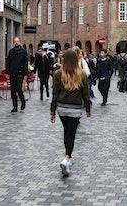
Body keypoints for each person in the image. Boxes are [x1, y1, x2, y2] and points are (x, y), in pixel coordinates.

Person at [50, 49, 92, 177]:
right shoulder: (82, 75)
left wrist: (52, 111)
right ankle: (67, 158)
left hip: (62, 108)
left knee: (66, 131)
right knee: (71, 134)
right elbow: (86, 94)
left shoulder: (58, 74)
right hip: (75, 108)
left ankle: (67, 158)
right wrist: (88, 109)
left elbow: (55, 94)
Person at [6, 37, 28, 112]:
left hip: (20, 73)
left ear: (20, 42)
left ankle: (23, 101)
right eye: (15, 41)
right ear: (13, 42)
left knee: (18, 89)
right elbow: (8, 62)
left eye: (17, 41)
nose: (16, 43)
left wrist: (25, 73)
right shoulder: (11, 51)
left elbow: (25, 63)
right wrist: (7, 72)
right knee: (13, 91)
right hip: (12, 73)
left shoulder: (23, 52)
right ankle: (15, 106)